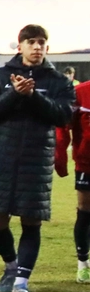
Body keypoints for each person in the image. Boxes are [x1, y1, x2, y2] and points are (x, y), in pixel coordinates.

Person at [0, 25, 76, 292]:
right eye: (31, 42)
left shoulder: (58, 81)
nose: (37, 47)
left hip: (36, 159)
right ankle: (10, 265)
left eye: (42, 42)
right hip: (1, 157)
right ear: (20, 46)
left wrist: (34, 95)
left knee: (32, 221)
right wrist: (14, 93)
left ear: (47, 48)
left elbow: (63, 115)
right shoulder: (0, 75)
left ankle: (21, 283)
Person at [56, 78, 90, 281]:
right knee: (85, 212)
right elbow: (63, 125)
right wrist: (60, 155)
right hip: (87, 163)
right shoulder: (80, 92)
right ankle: (83, 263)